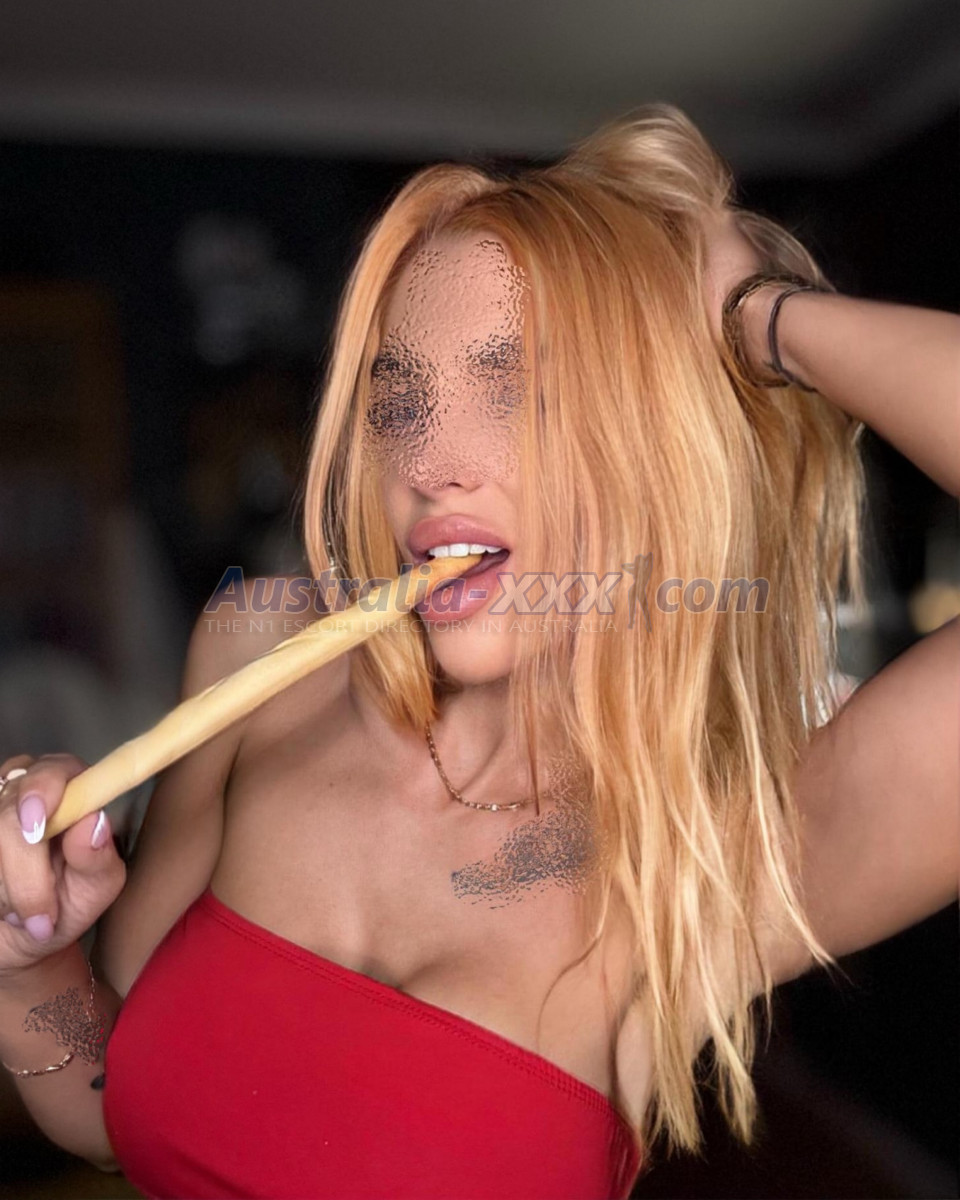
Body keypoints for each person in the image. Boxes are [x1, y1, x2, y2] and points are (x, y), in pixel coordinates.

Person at [0, 103, 956, 1199]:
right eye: (400, 404)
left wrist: (759, 318)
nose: (432, 465)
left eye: (521, 392)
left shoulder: (722, 843)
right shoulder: (259, 651)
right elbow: (113, 1109)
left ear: (658, 438)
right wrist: (28, 961)